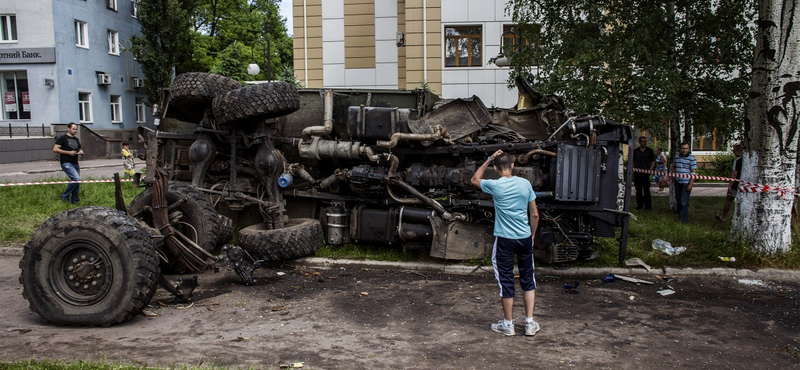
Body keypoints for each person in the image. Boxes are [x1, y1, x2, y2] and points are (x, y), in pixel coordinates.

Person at [470, 149, 541, 337]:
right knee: (528, 279)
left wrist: (488, 159)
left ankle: (508, 325)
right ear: (513, 166)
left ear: (495, 168)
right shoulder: (525, 184)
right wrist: (532, 235)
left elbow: (474, 179)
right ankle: (529, 323)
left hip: (504, 240)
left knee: (506, 281)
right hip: (525, 238)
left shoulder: (494, 185)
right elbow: (534, 214)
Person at [53, 122, 83, 204]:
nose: (75, 131)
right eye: (73, 129)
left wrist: (81, 151)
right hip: (66, 162)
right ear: (68, 129)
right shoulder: (62, 138)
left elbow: (79, 148)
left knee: (76, 182)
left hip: (75, 162)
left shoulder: (76, 139)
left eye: (76, 129)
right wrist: (68, 152)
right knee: (76, 179)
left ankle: (75, 201)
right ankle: (64, 195)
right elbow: (55, 149)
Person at [670, 142, 697, 223]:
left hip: (686, 182)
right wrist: (673, 176)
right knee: (678, 200)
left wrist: (691, 184)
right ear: (680, 149)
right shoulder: (677, 157)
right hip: (678, 181)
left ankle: (683, 219)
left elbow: (694, 172)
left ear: (688, 149)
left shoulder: (692, 158)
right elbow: (673, 166)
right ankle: (680, 215)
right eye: (683, 148)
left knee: (683, 201)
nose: (684, 150)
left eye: (686, 148)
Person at [716, 144, 743, 221]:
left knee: (729, 200)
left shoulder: (737, 161)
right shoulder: (750, 160)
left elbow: (734, 174)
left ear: (739, 151)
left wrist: (730, 186)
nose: (733, 153)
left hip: (736, 184)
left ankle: (723, 217)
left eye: (734, 151)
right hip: (747, 185)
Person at [632, 136, 655, 211]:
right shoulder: (636, 151)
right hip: (637, 174)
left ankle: (648, 207)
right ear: (640, 142)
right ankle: (639, 205)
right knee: (638, 191)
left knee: (646, 191)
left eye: (645, 141)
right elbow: (634, 161)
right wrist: (635, 169)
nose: (644, 143)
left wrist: (650, 170)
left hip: (645, 174)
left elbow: (653, 161)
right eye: (643, 141)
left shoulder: (649, 151)